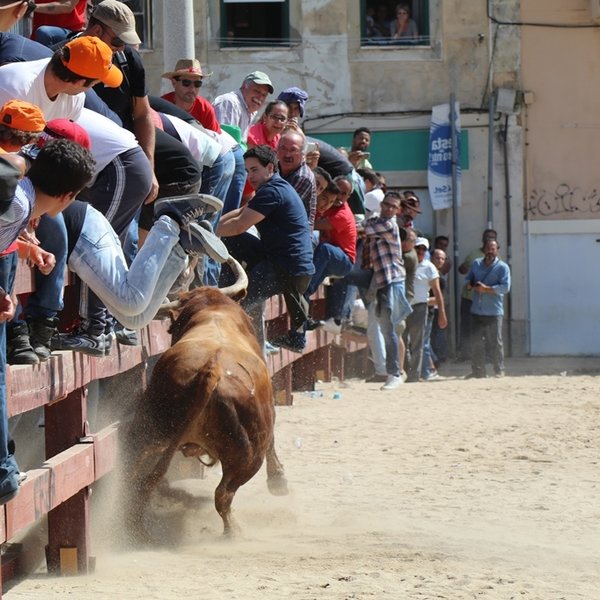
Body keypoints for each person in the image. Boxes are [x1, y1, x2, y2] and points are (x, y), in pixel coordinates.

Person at [217, 145, 314, 353]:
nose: (250, 176)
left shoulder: (272, 191)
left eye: (255, 170)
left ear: (270, 167)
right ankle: (226, 289)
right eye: (247, 171)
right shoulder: (273, 187)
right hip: (283, 261)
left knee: (234, 307)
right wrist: (213, 224)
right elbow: (241, 212)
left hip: (285, 268)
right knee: (233, 241)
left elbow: (238, 225)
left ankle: (226, 341)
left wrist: (209, 233)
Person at [361, 192, 412, 390]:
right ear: (382, 205)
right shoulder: (377, 220)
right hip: (382, 280)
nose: (390, 209)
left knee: (389, 328)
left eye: (393, 206)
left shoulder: (389, 224)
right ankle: (395, 372)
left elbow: (361, 228)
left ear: (397, 210)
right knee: (386, 328)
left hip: (393, 281)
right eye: (387, 205)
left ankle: (395, 373)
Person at [213, 71, 273, 215]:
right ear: (244, 87)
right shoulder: (230, 103)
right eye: (256, 91)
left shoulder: (247, 111)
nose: (259, 97)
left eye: (263, 95)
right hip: (222, 168)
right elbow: (224, 146)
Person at [403, 237, 447, 383]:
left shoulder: (429, 268)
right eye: (418, 248)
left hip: (420, 307)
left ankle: (414, 375)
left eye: (423, 249)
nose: (420, 251)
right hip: (403, 306)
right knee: (401, 340)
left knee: (417, 343)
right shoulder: (405, 262)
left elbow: (437, 292)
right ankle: (402, 371)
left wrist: (442, 313)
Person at [464, 239, 510, 379]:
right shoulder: (476, 264)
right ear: (484, 249)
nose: (490, 251)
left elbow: (505, 288)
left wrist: (486, 289)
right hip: (476, 310)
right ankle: (478, 371)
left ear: (497, 250)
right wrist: (471, 285)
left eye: (493, 248)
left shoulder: (503, 267)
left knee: (495, 342)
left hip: (494, 311)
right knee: (476, 342)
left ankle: (499, 370)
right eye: (488, 248)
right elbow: (467, 280)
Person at [457, 228, 498, 361]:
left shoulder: (499, 260)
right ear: (482, 239)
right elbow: (462, 270)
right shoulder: (474, 255)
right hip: (469, 299)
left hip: (488, 301)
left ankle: (488, 356)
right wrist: (467, 267)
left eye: (492, 237)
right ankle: (465, 355)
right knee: (467, 327)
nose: (489, 240)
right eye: (487, 237)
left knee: (488, 331)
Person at [160, 58, 220, 132]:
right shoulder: (162, 106)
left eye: (197, 84)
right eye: (186, 83)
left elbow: (214, 140)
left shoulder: (205, 109)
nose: (192, 89)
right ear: (174, 82)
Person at [276, 129, 317, 229]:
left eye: (293, 150)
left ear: (303, 154)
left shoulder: (302, 177)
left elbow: (280, 208)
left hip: (294, 237)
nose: (287, 155)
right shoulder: (275, 168)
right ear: (276, 150)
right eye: (283, 148)